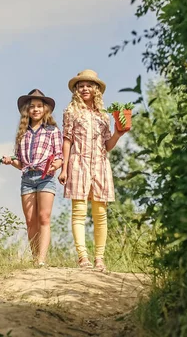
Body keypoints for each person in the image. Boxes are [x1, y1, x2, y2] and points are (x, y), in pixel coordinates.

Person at [58, 70, 127, 272]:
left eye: (89, 85)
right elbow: (67, 140)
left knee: (100, 214)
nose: (85, 88)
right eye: (81, 85)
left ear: (96, 89)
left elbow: (107, 145)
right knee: (78, 212)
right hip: (78, 163)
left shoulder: (103, 116)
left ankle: (99, 258)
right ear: (76, 90)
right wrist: (64, 168)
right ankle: (83, 257)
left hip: (100, 163)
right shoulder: (70, 112)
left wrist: (117, 134)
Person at [2, 89, 64, 266]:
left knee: (44, 217)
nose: (36, 109)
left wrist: (57, 165)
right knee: (30, 220)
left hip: (45, 176)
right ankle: (35, 256)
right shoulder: (23, 134)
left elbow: (59, 156)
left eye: (39, 106)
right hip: (28, 178)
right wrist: (10, 161)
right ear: (26, 111)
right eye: (32, 107)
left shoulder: (52, 131)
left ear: (45, 109)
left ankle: (42, 259)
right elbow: (21, 163)